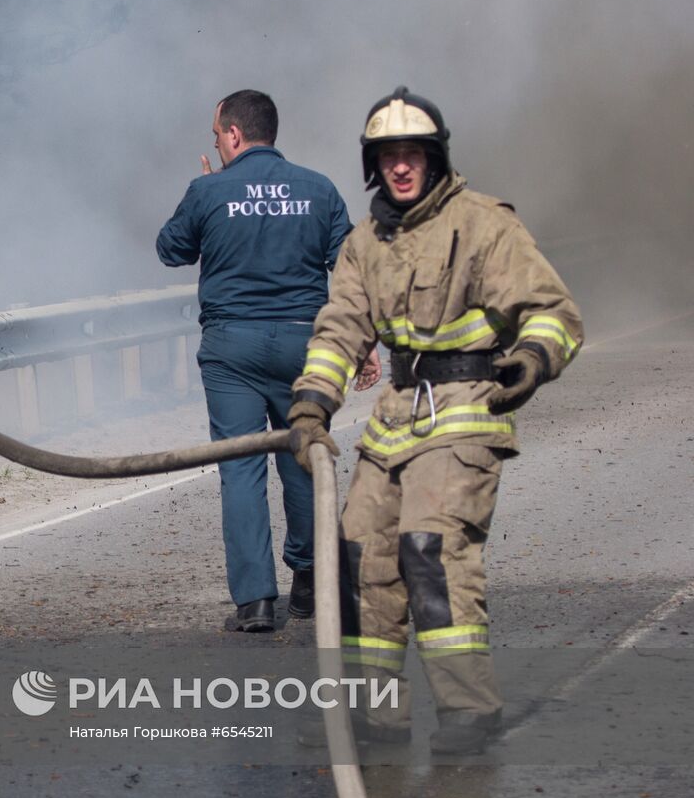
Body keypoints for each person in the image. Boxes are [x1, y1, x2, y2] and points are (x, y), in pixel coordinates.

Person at [288, 87, 583, 754]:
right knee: (359, 549)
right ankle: (379, 712)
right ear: (374, 164)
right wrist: (312, 403)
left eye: (411, 153)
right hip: (397, 416)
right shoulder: (366, 243)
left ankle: (469, 708)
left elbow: (554, 311)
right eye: (387, 155)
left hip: (467, 408)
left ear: (435, 156)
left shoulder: (483, 224)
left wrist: (533, 358)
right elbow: (340, 332)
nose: (399, 166)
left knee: (430, 548)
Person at [157, 89, 373, 633]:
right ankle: (307, 577)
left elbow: (170, 249)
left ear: (233, 134)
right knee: (304, 457)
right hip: (306, 344)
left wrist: (206, 193)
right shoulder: (318, 188)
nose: (216, 143)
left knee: (241, 469)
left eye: (216, 135)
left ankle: (255, 601)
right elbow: (351, 270)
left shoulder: (209, 189)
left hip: (232, 351)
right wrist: (364, 346)